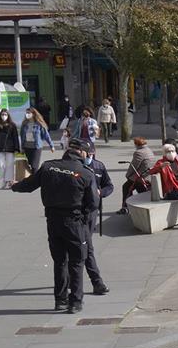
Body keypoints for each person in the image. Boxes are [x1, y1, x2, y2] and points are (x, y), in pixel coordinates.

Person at [11, 135, 98, 313]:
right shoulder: (86, 173)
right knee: (76, 262)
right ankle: (75, 302)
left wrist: (14, 186)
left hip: (53, 221)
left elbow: (28, 185)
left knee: (60, 261)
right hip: (74, 222)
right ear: (82, 152)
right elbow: (93, 203)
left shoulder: (48, 166)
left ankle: (60, 300)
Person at [78, 143, 115, 297]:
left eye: (92, 154)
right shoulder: (76, 168)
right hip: (77, 212)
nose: (90, 157)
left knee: (85, 246)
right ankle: (96, 282)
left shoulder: (99, 167)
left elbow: (109, 185)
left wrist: (101, 193)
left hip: (92, 211)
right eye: (88, 154)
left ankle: (94, 281)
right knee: (85, 248)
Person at [122, 137, 155, 207]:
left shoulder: (139, 152)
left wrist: (128, 175)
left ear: (136, 144)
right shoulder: (149, 150)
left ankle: (126, 207)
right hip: (148, 175)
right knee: (139, 189)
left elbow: (133, 166)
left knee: (126, 187)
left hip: (141, 176)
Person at [0, 108, 18, 185]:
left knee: (10, 165)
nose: (4, 116)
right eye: (2, 114)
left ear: (8, 115)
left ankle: (8, 180)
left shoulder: (12, 125)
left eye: (5, 114)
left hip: (10, 148)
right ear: (0, 115)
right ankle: (4, 179)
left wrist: (16, 148)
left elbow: (15, 137)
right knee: (1, 165)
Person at [18, 106, 52, 171]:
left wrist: (51, 145)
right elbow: (22, 136)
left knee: (34, 166)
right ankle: (33, 179)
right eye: (26, 113)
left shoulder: (39, 124)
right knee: (30, 165)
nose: (27, 114)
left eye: (29, 113)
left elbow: (46, 135)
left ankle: (35, 180)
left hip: (36, 147)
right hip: (27, 147)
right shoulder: (24, 124)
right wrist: (21, 147)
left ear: (33, 114)